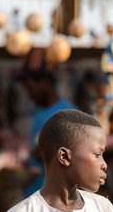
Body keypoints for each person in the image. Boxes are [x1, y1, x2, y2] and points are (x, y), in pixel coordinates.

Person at [19, 48, 77, 197]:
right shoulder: (38, 113)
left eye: (30, 87)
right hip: (34, 198)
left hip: (56, 202)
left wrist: (47, 154)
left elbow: (77, 159)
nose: (28, 93)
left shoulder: (69, 114)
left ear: (45, 82)